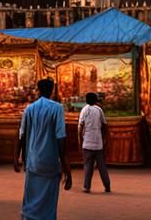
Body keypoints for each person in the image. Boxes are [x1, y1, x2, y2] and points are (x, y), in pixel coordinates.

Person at [15, 78, 72, 220]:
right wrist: (66, 168)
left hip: (32, 160)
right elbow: (61, 139)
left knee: (31, 196)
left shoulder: (29, 109)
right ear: (52, 90)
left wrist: (16, 158)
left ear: (38, 90)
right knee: (49, 200)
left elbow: (22, 135)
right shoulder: (57, 108)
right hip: (50, 161)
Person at [79, 91, 111, 193]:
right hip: (98, 143)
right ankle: (107, 186)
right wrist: (106, 139)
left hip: (87, 142)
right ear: (96, 100)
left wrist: (80, 141)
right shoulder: (99, 110)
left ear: (86, 100)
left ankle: (86, 187)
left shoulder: (84, 110)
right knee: (102, 166)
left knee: (88, 165)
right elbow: (105, 125)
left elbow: (80, 127)